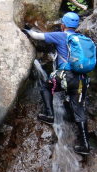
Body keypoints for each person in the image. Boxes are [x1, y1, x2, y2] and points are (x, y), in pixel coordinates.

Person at [22, 12, 91, 155]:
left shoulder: (61, 35)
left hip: (65, 76)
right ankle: (85, 145)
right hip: (81, 80)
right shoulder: (83, 39)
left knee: (46, 86)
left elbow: (37, 36)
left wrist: (25, 30)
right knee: (78, 109)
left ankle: (49, 114)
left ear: (63, 25)